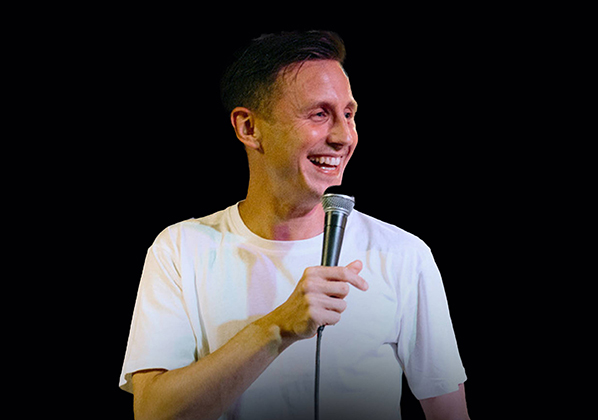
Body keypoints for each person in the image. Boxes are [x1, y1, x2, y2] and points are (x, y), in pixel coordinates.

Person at [120, 30, 470, 420]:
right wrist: (275, 329)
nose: (343, 136)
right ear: (249, 128)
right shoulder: (181, 249)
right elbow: (152, 412)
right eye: (319, 114)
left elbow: (450, 414)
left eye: (349, 114)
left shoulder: (403, 254)